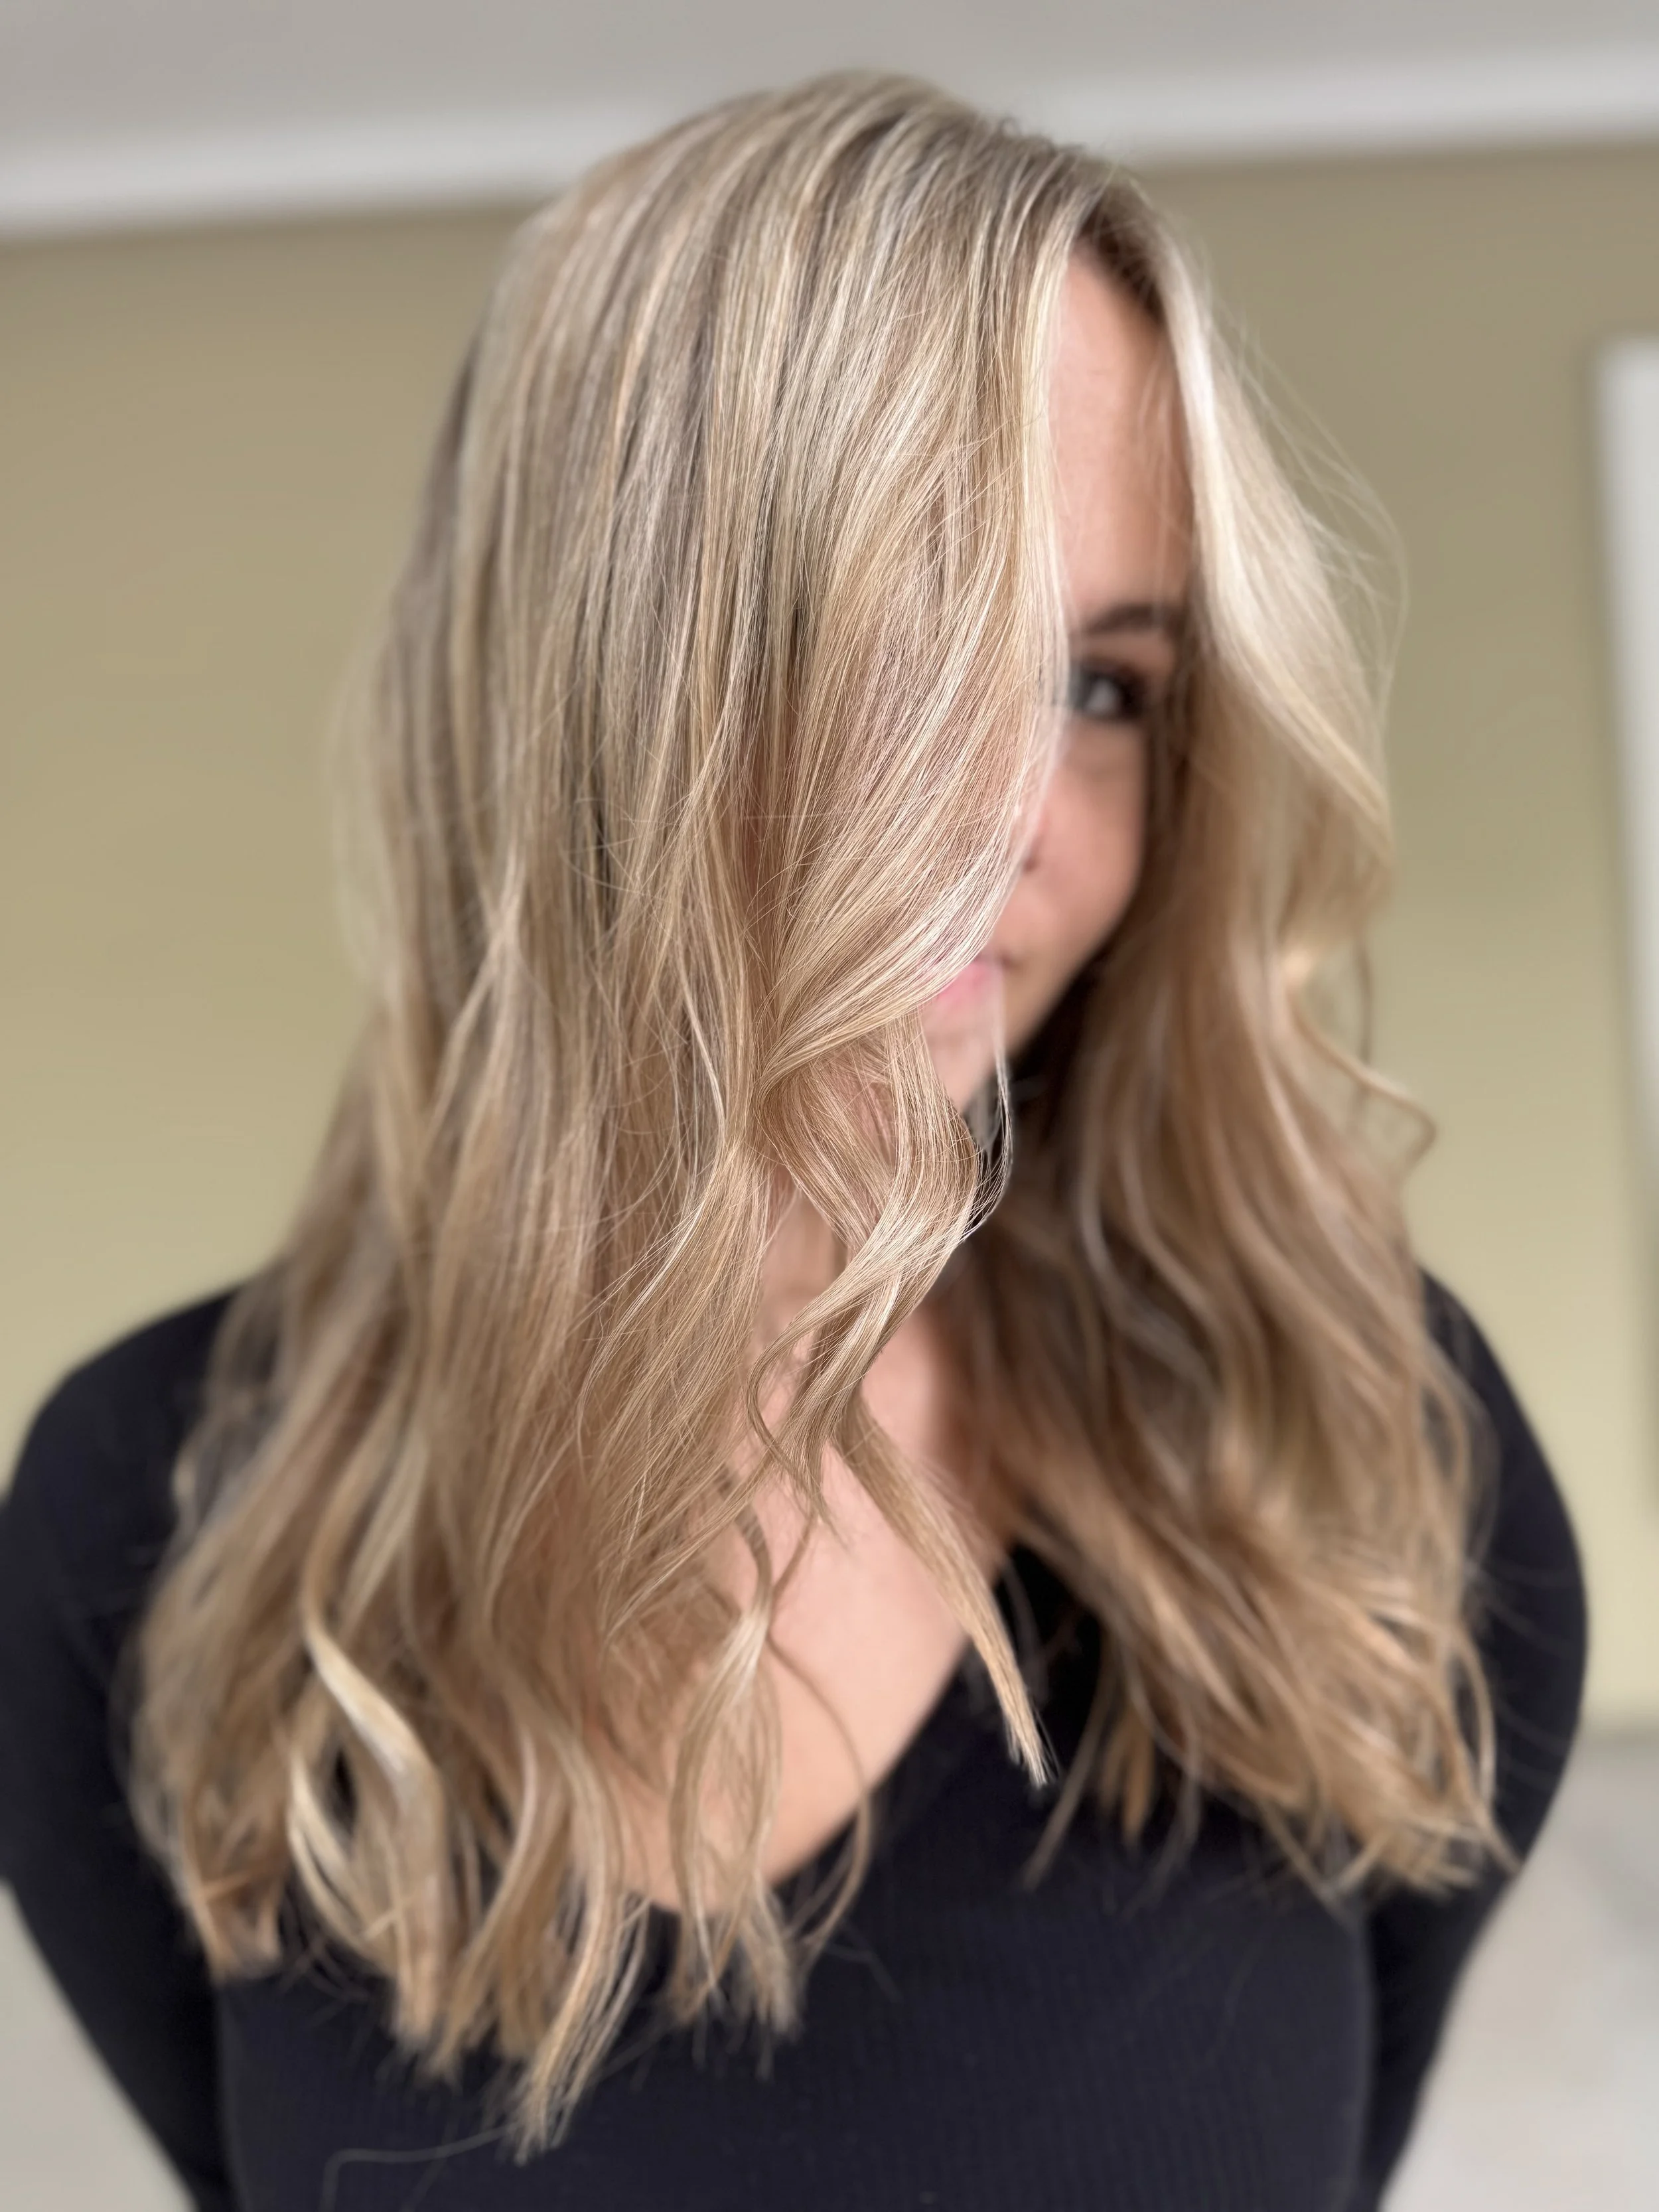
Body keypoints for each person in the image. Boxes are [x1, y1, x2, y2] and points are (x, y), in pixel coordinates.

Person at [0, 68, 1587, 2212]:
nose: (1002, 825)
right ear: (580, 685)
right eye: (882, 650)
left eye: (1100, 686)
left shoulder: (1358, 1455)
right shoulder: (153, 1522)